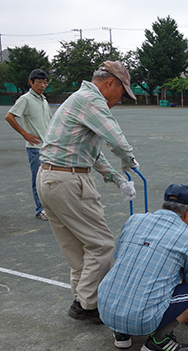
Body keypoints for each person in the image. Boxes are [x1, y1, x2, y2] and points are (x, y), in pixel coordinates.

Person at [37, 61, 139, 323]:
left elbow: (90, 153)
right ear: (110, 83)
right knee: (102, 244)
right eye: (122, 93)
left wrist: (117, 179)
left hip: (49, 178)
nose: (121, 100)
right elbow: (114, 137)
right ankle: (90, 305)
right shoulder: (92, 101)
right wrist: (129, 160)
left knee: (77, 248)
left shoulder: (79, 99)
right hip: (68, 181)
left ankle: (81, 300)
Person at [98, 183, 188, 351]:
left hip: (105, 310)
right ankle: (158, 340)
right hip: (141, 320)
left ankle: (121, 332)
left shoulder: (134, 220)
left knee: (130, 270)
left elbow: (119, 256)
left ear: (163, 205)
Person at [5, 69, 52, 220]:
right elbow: (9, 116)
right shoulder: (25, 99)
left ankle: (49, 208)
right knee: (37, 180)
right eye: (39, 82)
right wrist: (24, 133)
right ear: (31, 82)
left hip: (48, 147)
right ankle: (40, 210)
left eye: (45, 82)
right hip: (35, 148)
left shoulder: (43, 100)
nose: (42, 85)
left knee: (49, 180)